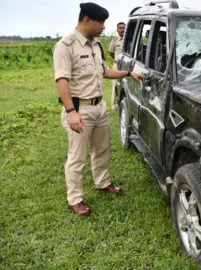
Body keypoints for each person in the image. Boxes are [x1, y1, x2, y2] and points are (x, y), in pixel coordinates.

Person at [52, 2, 144, 216]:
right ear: (87, 20)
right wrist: (71, 112)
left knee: (102, 149)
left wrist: (128, 73)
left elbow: (104, 71)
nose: (104, 26)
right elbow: (62, 81)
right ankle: (75, 198)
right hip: (80, 110)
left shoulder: (96, 45)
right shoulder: (66, 46)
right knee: (77, 156)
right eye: (101, 22)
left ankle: (102, 182)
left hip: (99, 107)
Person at [109, 22, 126, 111]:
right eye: (120, 28)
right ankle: (115, 106)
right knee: (115, 85)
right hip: (117, 65)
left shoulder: (129, 40)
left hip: (127, 65)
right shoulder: (114, 41)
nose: (122, 29)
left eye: (124, 28)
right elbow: (111, 53)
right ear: (117, 29)